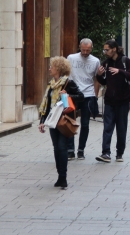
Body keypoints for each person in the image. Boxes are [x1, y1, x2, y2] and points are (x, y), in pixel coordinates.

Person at [38, 56, 84, 189]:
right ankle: (59, 175)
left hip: (63, 120)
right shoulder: (51, 84)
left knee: (62, 147)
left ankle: (63, 177)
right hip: (52, 120)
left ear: (58, 68)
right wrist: (42, 121)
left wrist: (68, 95)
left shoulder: (68, 83)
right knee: (56, 148)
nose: (49, 69)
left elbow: (81, 97)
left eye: (52, 66)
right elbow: (46, 105)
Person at [96, 40, 130, 163]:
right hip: (109, 101)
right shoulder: (106, 63)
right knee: (107, 127)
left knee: (121, 128)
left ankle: (119, 153)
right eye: (104, 50)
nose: (105, 52)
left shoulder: (125, 61)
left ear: (114, 49)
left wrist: (120, 71)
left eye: (107, 50)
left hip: (123, 100)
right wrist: (99, 75)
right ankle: (105, 153)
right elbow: (104, 82)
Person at [66, 38, 100, 160]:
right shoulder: (71, 58)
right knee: (70, 122)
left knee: (85, 124)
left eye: (88, 50)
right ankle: (70, 150)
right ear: (79, 47)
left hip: (88, 94)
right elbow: (66, 74)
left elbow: (97, 79)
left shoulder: (95, 61)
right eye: (83, 50)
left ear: (91, 48)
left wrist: (95, 95)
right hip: (73, 94)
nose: (85, 52)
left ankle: (81, 150)